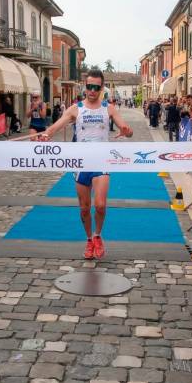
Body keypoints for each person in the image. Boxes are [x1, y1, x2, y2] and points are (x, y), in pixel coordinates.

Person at [40, 69, 133, 259]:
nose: (92, 91)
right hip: (81, 163)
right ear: (85, 86)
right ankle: (89, 239)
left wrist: (126, 131)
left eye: (95, 88)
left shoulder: (109, 108)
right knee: (84, 208)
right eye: (89, 87)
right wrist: (46, 134)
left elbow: (126, 129)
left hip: (101, 161)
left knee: (100, 205)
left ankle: (98, 235)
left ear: (101, 88)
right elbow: (57, 125)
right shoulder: (76, 108)